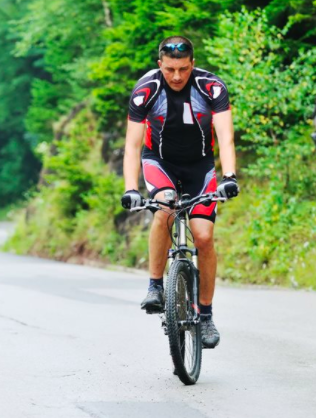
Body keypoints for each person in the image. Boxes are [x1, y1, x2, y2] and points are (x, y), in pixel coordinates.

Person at [120, 36, 239, 349]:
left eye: (183, 69)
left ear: (193, 64)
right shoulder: (147, 89)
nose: (176, 76)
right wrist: (131, 188)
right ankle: (155, 286)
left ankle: (206, 315)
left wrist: (229, 176)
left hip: (200, 166)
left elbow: (225, 137)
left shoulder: (211, 87)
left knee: (204, 237)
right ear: (160, 64)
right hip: (159, 162)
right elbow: (132, 146)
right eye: (170, 69)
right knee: (164, 207)